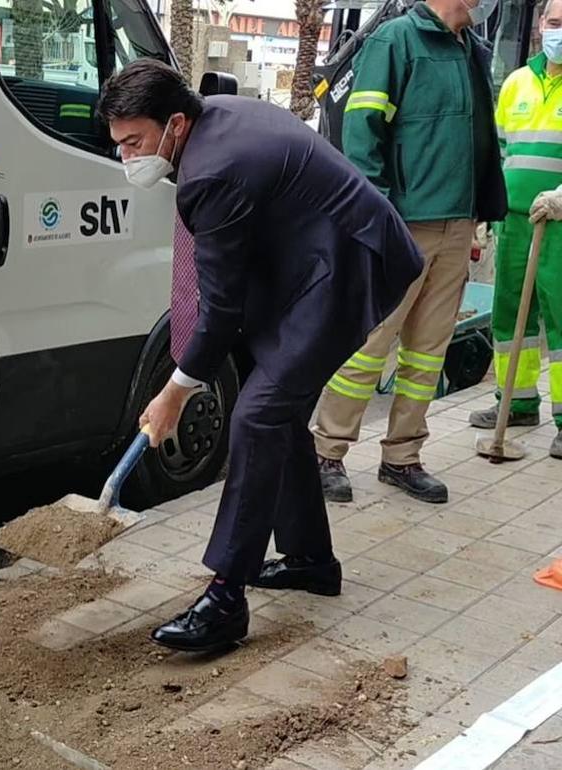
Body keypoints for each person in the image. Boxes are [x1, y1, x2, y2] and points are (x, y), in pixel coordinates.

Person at [97, 59, 423, 652]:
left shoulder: (211, 173)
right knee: (274, 407)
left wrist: (174, 392)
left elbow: (219, 309)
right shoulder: (213, 120)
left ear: (173, 123)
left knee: (258, 414)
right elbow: (229, 296)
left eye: (134, 142)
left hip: (351, 266)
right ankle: (309, 560)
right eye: (117, 145)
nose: (127, 158)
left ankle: (226, 597)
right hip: (314, 260)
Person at [312, 0, 508, 504]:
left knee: (428, 350)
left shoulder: (472, 50)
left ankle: (402, 456)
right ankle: (326, 452)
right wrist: (380, 217)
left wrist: (475, 219)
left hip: (456, 222)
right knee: (372, 341)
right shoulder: (396, 40)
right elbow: (362, 133)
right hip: (403, 225)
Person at [470, 0, 562, 460]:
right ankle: (516, 401)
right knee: (511, 315)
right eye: (555, 22)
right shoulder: (516, 83)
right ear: (541, 26)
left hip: (561, 221)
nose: (559, 32)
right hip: (516, 219)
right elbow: (501, 150)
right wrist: (491, 208)